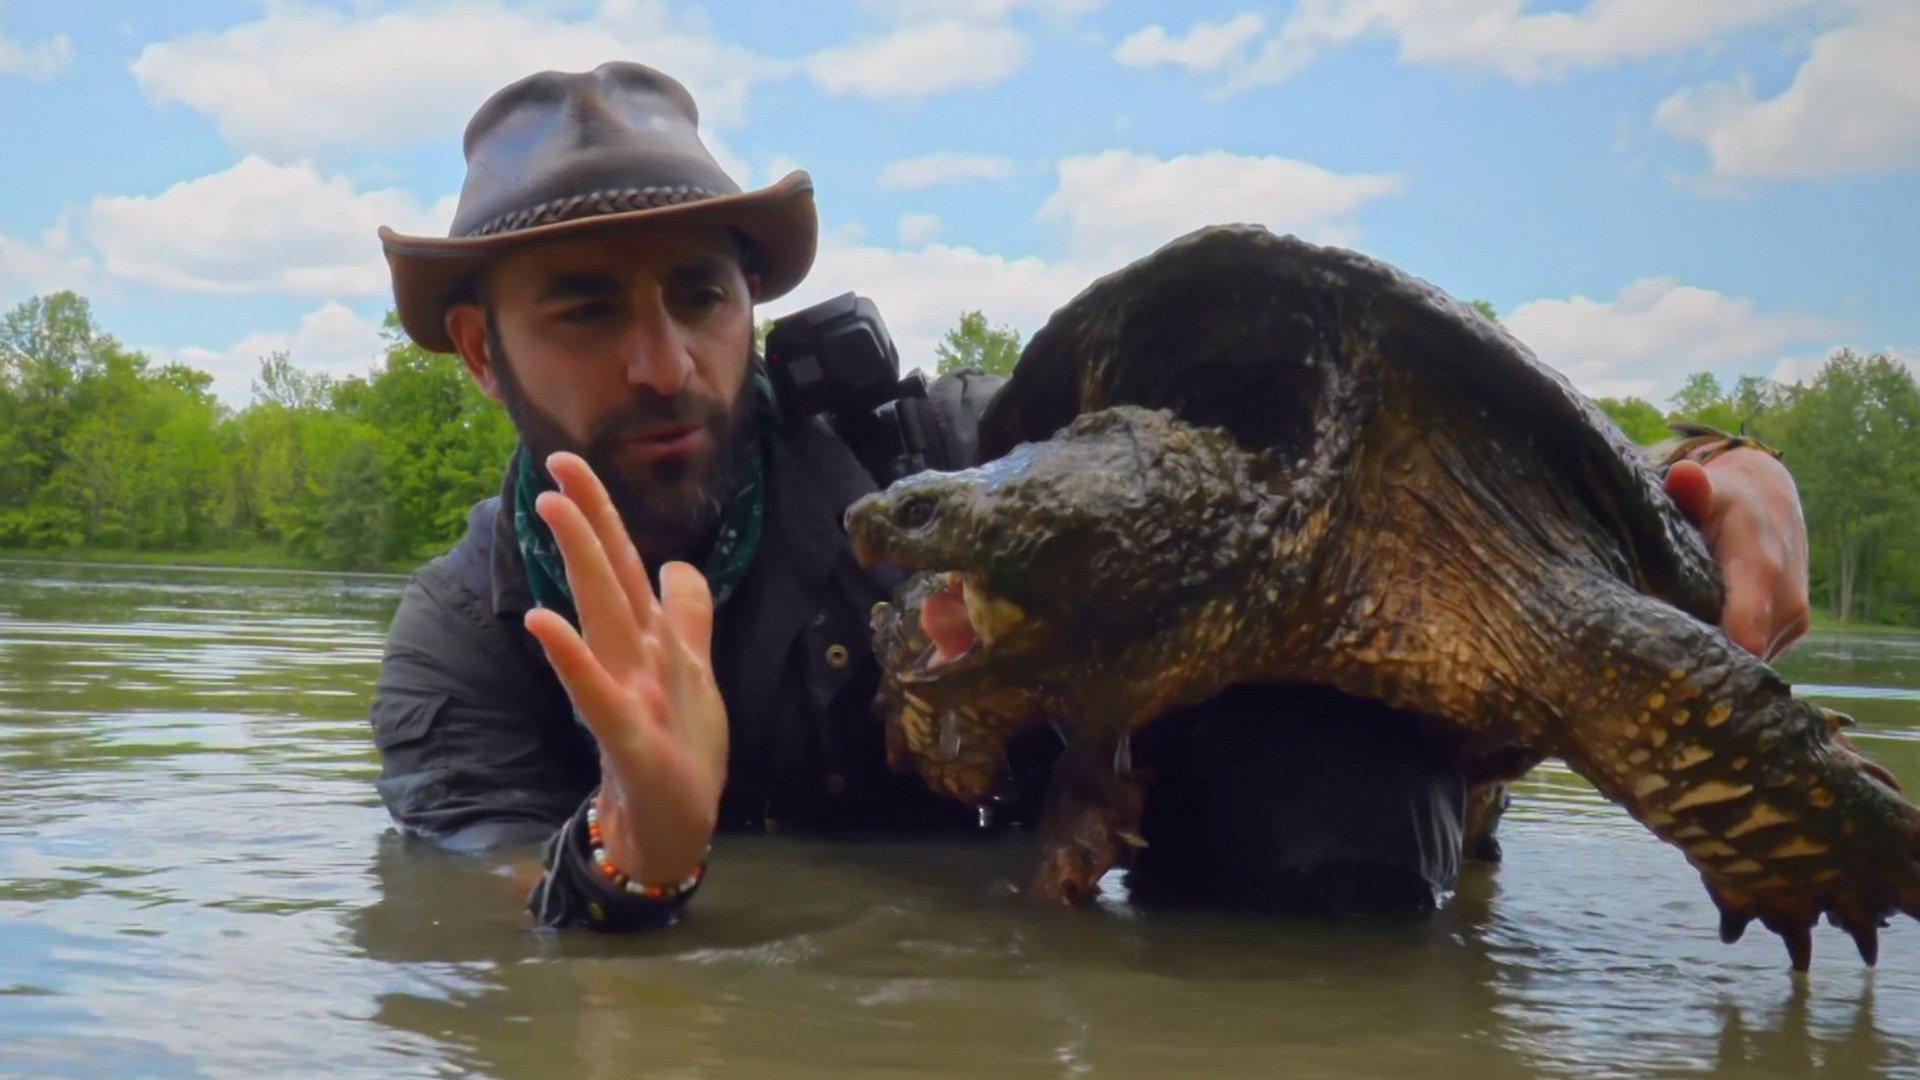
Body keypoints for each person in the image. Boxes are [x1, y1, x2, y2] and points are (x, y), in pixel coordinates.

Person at [369, 61, 1812, 930]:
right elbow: (479, 923)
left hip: (1160, 842)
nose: (663, 361)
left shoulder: (938, 462)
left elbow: (1318, 462)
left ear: (753, 306)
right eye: (584, 312)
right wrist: (633, 851)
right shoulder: (470, 638)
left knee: (1308, 787)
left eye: (700, 295)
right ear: (483, 352)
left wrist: (1701, 479)